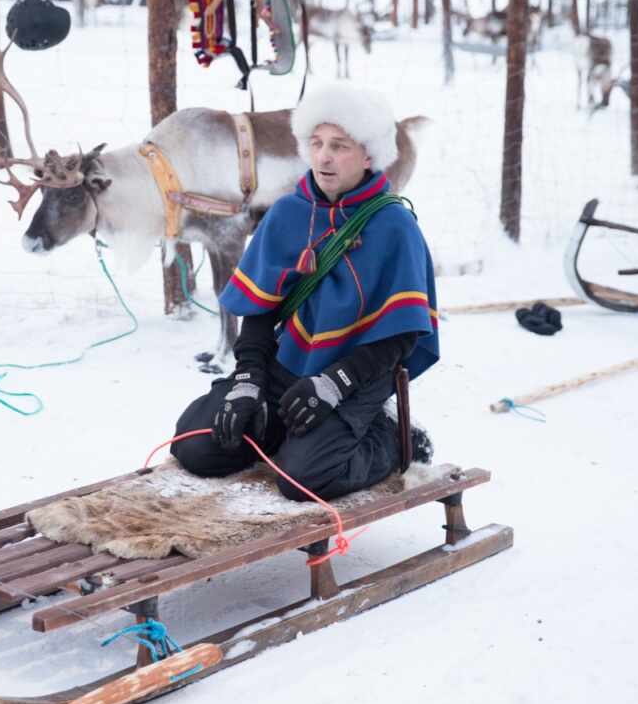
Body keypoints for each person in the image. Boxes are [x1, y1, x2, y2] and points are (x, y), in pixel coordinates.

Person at [171, 83, 439, 502]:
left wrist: (334, 383)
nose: (324, 156)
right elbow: (259, 310)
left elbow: (402, 335)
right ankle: (279, 427)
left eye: (339, 146)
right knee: (196, 444)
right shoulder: (287, 213)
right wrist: (247, 381)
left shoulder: (394, 226)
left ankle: (388, 439)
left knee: (301, 480)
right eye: (316, 143)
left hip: (358, 373)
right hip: (289, 361)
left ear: (369, 155)